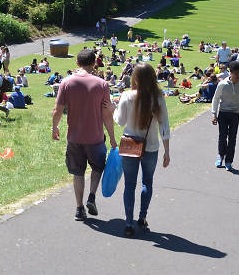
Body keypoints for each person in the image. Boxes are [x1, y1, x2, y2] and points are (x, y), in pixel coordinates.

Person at [52, 49, 117, 221]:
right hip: (95, 137)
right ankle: (92, 196)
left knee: (78, 173)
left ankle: (79, 208)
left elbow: (58, 110)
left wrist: (54, 127)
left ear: (77, 63)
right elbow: (106, 114)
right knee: (97, 168)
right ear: (94, 63)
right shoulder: (102, 84)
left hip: (74, 137)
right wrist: (111, 136)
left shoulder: (66, 83)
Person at [113, 63, 171, 236]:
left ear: (135, 78)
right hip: (151, 146)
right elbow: (164, 126)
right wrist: (167, 151)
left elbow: (120, 121)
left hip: (130, 146)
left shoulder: (127, 95)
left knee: (129, 185)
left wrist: (115, 109)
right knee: (147, 183)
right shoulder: (158, 97)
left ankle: (128, 222)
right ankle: (142, 217)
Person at [211, 60, 239, 171]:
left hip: (235, 114)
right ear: (230, 73)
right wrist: (214, 114)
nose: (238, 76)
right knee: (222, 136)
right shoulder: (222, 84)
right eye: (236, 73)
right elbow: (216, 98)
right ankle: (220, 155)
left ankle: (229, 161)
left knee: (232, 139)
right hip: (223, 113)